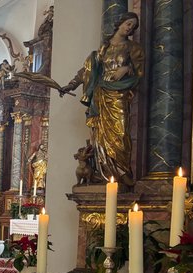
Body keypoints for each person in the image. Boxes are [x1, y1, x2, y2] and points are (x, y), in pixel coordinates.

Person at [59, 12, 143, 187]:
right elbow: (87, 71)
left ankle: (122, 173)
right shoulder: (103, 49)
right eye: (128, 23)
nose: (130, 28)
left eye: (133, 26)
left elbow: (140, 74)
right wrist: (70, 85)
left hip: (119, 97)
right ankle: (105, 174)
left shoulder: (133, 48)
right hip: (101, 95)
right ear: (120, 23)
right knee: (100, 137)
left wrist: (126, 69)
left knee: (121, 135)